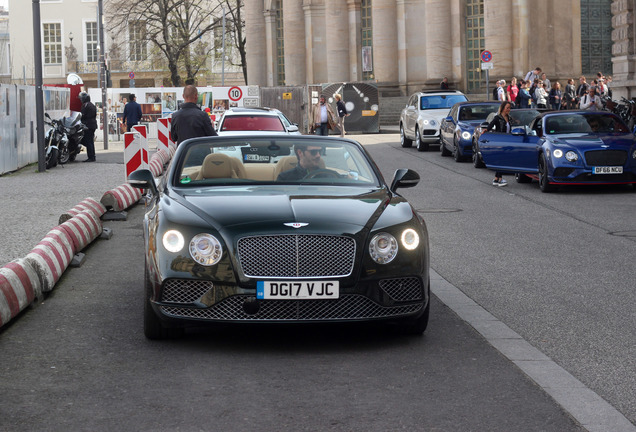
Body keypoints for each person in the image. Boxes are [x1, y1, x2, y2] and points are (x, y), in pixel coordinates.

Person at [484, 101, 512, 187]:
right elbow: (490, 126)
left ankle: (496, 178)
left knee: (502, 159)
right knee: (501, 160)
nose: (508, 109)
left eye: (509, 108)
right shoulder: (497, 117)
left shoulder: (509, 117)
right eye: (507, 108)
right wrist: (485, 131)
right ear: (503, 108)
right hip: (500, 140)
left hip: (507, 140)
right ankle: (500, 179)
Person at [78, 92, 97, 162]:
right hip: (93, 125)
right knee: (91, 141)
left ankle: (91, 157)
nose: (81, 100)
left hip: (88, 125)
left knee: (88, 141)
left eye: (81, 99)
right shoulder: (92, 105)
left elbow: (82, 115)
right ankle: (92, 156)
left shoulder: (85, 105)